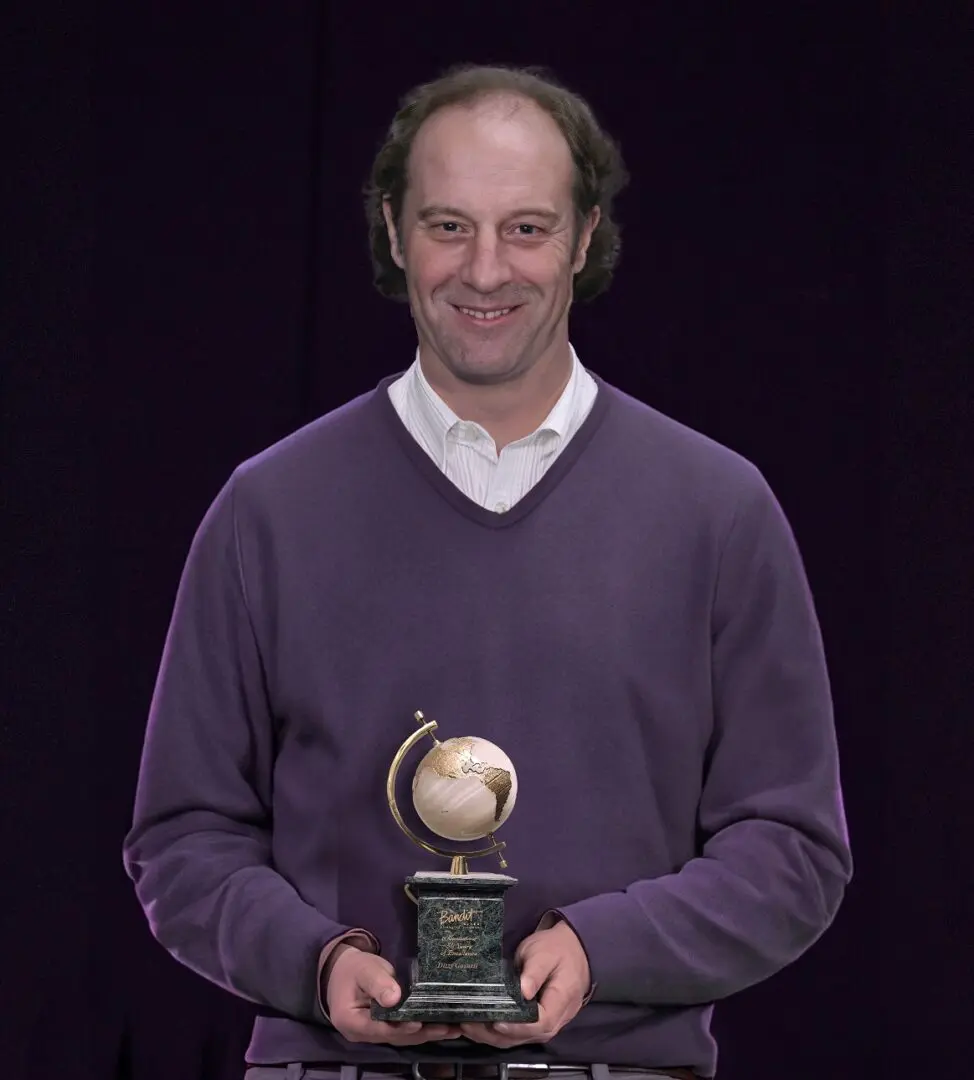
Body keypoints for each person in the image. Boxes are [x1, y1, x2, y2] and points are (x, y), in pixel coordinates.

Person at [123, 63, 853, 1080]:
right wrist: (315, 962)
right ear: (392, 230)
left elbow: (791, 852)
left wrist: (600, 952)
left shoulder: (716, 512)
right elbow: (183, 838)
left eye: (525, 228)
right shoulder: (268, 510)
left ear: (583, 237)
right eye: (447, 225)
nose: (483, 270)